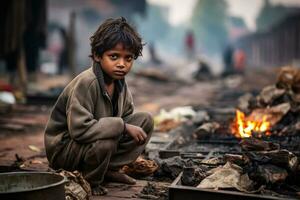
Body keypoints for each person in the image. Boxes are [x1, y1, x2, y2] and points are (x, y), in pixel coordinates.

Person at [44, 17, 154, 196]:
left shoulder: (120, 84)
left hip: (91, 144)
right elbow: (79, 129)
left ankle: (108, 170)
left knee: (145, 121)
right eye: (114, 57)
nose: (121, 64)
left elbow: (126, 115)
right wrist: (123, 127)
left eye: (128, 58)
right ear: (97, 55)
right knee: (107, 141)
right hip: (65, 150)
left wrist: (125, 126)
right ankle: (90, 180)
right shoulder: (87, 83)